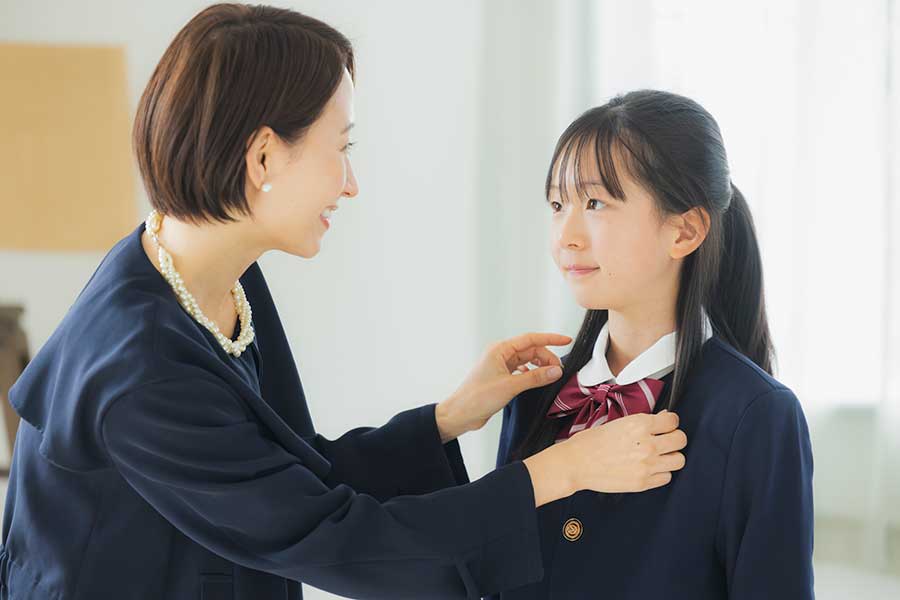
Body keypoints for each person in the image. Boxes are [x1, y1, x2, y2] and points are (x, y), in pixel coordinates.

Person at [0, 6, 689, 600]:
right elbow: (335, 539)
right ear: (264, 157)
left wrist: (450, 418)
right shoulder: (140, 370)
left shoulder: (219, 279)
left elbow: (296, 475)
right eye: (342, 147)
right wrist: (561, 471)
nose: (351, 184)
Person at [492, 89, 815, 600]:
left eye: (595, 202)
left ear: (685, 231)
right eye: (558, 204)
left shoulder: (756, 415)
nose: (567, 235)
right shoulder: (536, 393)